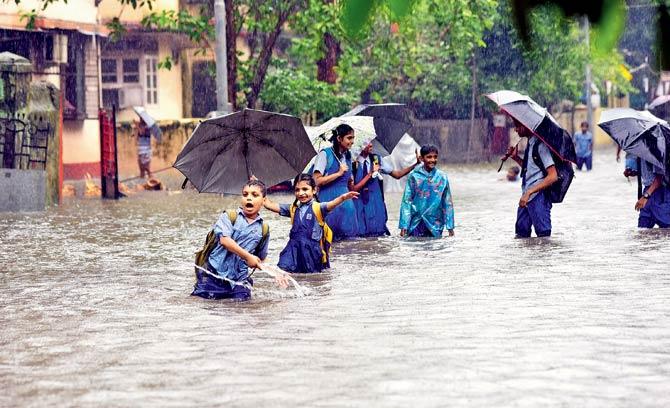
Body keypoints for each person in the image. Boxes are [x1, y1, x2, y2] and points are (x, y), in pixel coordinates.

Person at [191, 180, 288, 300]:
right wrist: (248, 257)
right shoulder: (229, 216)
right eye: (245, 194)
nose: (249, 198)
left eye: (254, 195)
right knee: (204, 305)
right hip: (213, 275)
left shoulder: (263, 229)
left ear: (264, 200)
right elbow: (225, 241)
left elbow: (261, 258)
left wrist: (275, 272)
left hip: (239, 279)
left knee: (243, 308)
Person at [264, 174, 359, 273]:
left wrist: (343, 198)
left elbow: (331, 204)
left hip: (311, 251)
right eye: (297, 190)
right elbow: (270, 205)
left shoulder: (318, 208)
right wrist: (260, 190)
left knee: (312, 278)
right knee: (282, 270)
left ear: (314, 190)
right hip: (293, 249)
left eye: (305, 189)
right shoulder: (292, 208)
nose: (301, 193)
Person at [351, 143, 421, 237]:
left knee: (377, 232)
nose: (371, 144)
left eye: (371, 141)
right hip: (358, 203)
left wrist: (415, 164)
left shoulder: (376, 159)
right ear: (358, 145)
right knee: (359, 233)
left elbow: (397, 175)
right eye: (366, 143)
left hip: (375, 202)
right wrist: (370, 174)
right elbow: (353, 189)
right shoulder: (352, 162)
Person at [504, 120, 559, 238]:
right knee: (521, 236)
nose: (515, 130)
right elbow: (531, 169)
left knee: (544, 238)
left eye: (518, 126)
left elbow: (553, 175)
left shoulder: (541, 146)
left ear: (527, 125)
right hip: (526, 197)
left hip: (538, 197)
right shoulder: (530, 143)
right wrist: (516, 158)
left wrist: (529, 192)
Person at [312, 124, 359, 241]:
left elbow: (350, 185)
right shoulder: (324, 154)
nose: (352, 141)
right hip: (329, 203)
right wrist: (338, 174)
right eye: (349, 138)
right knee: (328, 240)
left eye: (353, 138)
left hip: (347, 206)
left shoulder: (348, 156)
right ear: (339, 139)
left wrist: (350, 178)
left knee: (349, 244)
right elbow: (316, 180)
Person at [399, 144, 455, 238]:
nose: (432, 160)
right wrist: (404, 225)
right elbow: (407, 201)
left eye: (435, 157)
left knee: (435, 250)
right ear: (421, 158)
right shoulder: (414, 176)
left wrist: (450, 226)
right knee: (416, 249)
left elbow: (447, 202)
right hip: (416, 221)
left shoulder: (442, 177)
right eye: (429, 157)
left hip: (435, 222)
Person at [635, 160, 670, 228]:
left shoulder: (654, 153)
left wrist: (645, 197)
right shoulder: (642, 154)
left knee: (666, 229)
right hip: (649, 192)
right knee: (642, 230)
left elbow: (659, 179)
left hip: (657, 193)